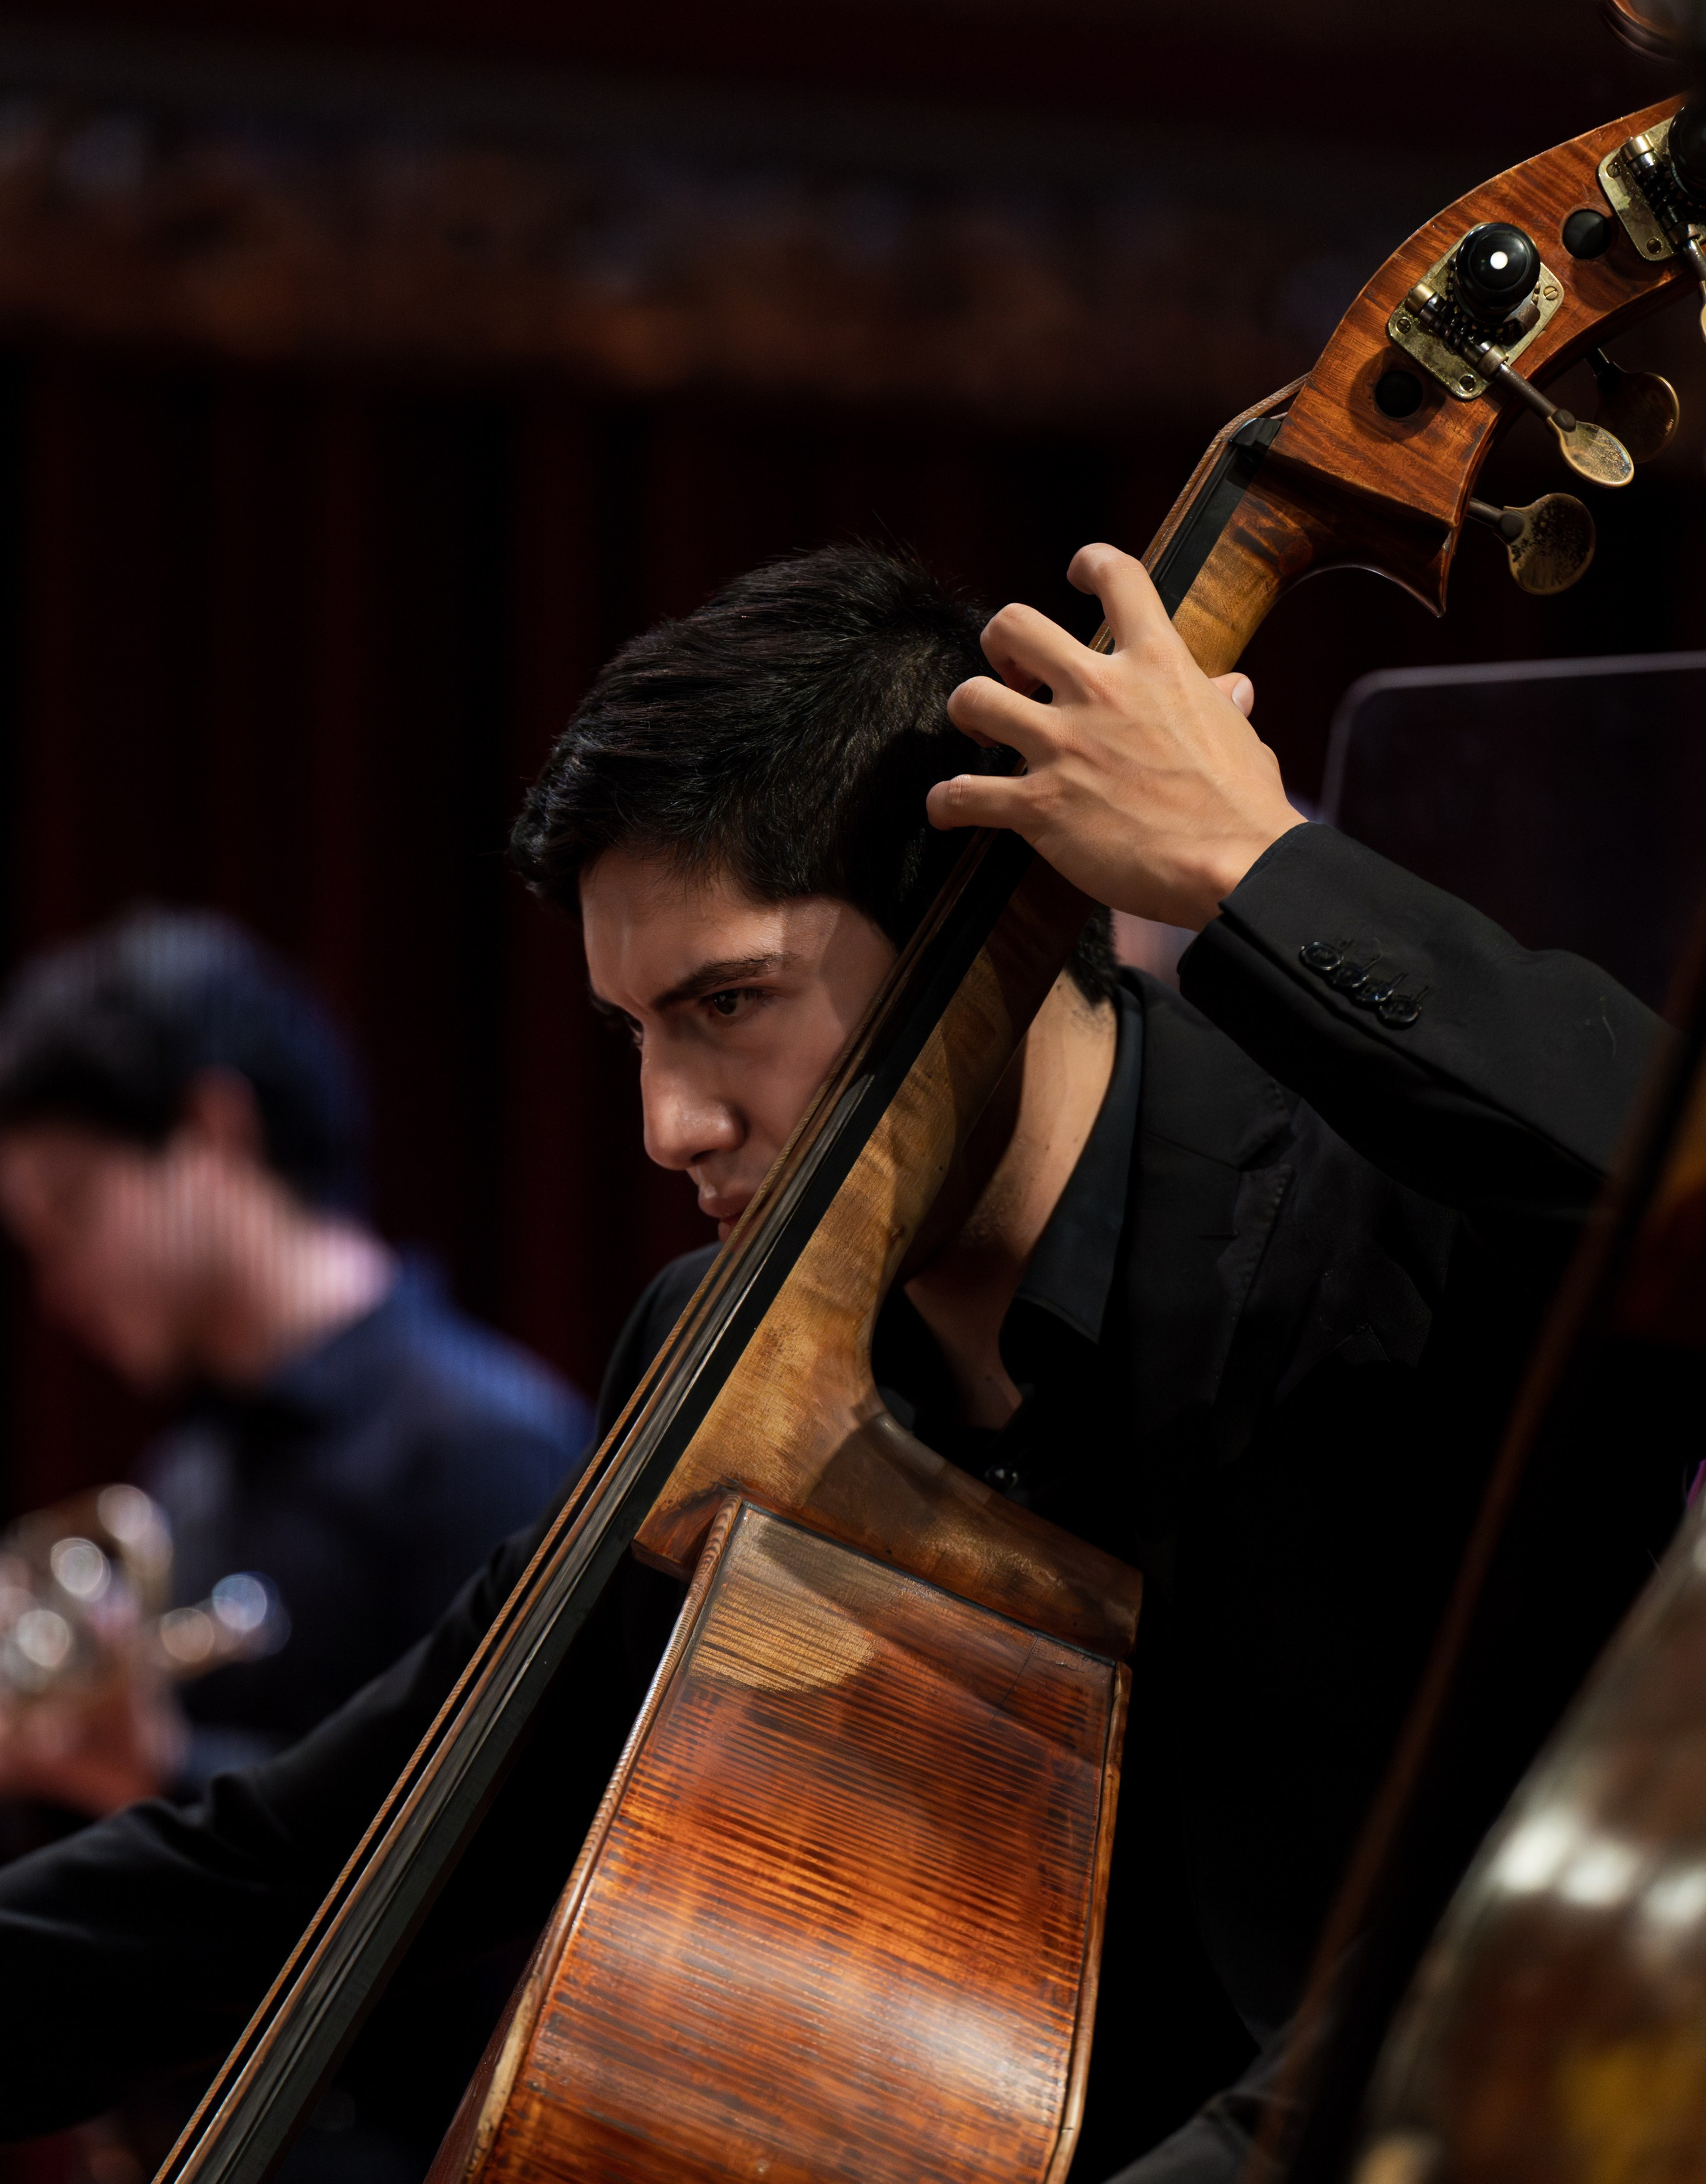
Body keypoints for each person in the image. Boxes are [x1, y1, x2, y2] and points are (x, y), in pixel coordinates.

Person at [0, 543, 1698, 2184]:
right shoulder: (724, 1361)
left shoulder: (1388, 1225)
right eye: (635, 1031)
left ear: (990, 927)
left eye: (729, 1005)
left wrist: (1255, 870)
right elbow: (306, 1858)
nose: (668, 1123)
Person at [0, 909, 591, 1815]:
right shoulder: (193, 1468)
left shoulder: (487, 1448)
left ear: (212, 1134)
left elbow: (508, 1849)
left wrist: (167, 1775)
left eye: (71, 1212)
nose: (57, 1289)